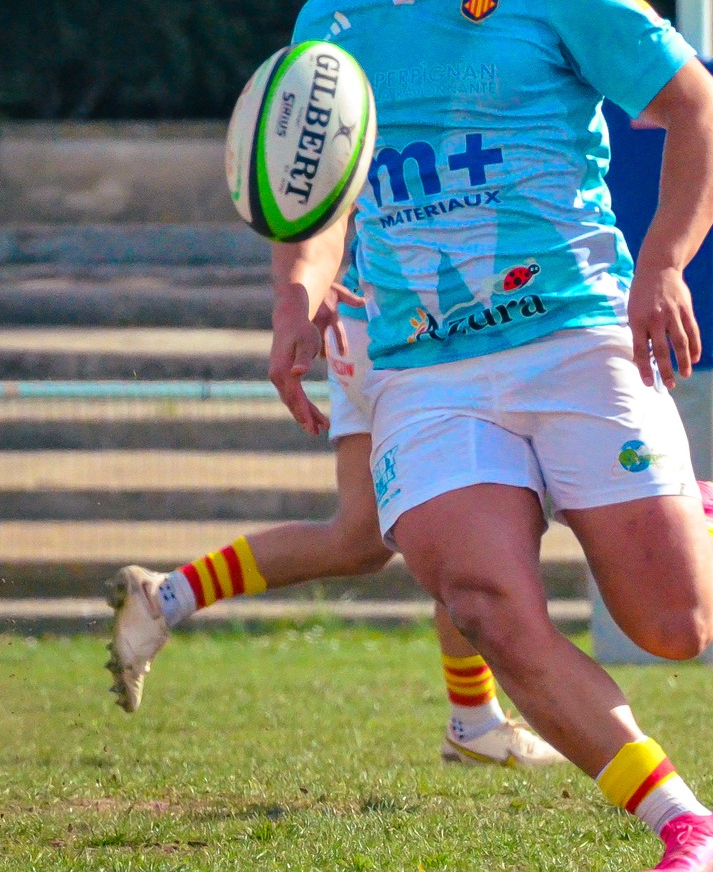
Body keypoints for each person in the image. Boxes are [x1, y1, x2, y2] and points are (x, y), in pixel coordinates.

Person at [264, 0, 713, 872]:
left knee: (675, 624)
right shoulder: (328, 23)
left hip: (571, 334)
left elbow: (704, 115)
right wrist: (301, 289)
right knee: (483, 601)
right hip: (423, 367)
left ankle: (708, 525)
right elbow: (311, 187)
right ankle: (688, 824)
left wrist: (663, 261)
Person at [104, 260, 563, 767]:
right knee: (480, 524)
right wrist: (301, 285)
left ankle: (166, 598)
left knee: (359, 536)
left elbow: (292, 193)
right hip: (423, 321)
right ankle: (475, 722)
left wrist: (303, 283)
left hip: (374, 321)